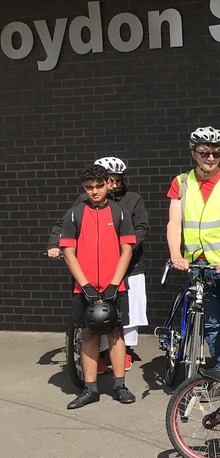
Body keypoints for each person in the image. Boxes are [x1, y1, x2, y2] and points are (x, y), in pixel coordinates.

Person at [165, 126, 220, 376]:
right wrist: (176, 255)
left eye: (216, 152)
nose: (211, 158)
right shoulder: (181, 183)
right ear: (194, 153)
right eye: (205, 152)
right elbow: (174, 222)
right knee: (212, 323)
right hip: (199, 266)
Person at [48, 156, 150, 360]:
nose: (112, 185)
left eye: (116, 180)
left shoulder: (131, 200)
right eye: (109, 180)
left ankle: (124, 352)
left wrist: (124, 246)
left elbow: (141, 227)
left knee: (125, 315)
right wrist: (53, 244)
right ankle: (98, 355)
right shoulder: (84, 202)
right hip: (93, 268)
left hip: (127, 264)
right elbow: (64, 223)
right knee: (91, 316)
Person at [58, 165, 137, 409]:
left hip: (114, 286)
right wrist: (85, 285)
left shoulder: (120, 213)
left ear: (109, 184)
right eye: (89, 187)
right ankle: (90, 389)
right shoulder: (75, 214)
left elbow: (127, 249)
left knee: (115, 334)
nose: (94, 191)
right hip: (84, 287)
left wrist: (115, 282)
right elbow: (69, 252)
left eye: (99, 186)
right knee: (89, 334)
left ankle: (120, 386)